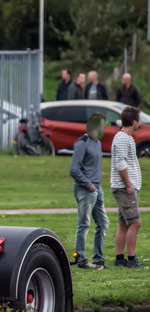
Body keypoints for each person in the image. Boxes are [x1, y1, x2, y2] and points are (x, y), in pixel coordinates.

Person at [69, 113, 109, 269]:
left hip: (97, 190)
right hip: (85, 190)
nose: (104, 129)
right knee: (84, 224)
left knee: (103, 223)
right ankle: (81, 260)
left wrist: (97, 187)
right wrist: (89, 185)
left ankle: (98, 259)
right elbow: (74, 170)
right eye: (102, 126)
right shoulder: (82, 143)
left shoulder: (97, 143)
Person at [110, 106, 147, 268]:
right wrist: (128, 184)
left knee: (124, 223)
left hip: (128, 187)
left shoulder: (127, 138)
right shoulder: (122, 138)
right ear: (133, 122)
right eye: (139, 118)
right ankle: (131, 259)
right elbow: (120, 163)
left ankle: (120, 258)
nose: (140, 122)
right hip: (125, 188)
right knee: (135, 222)